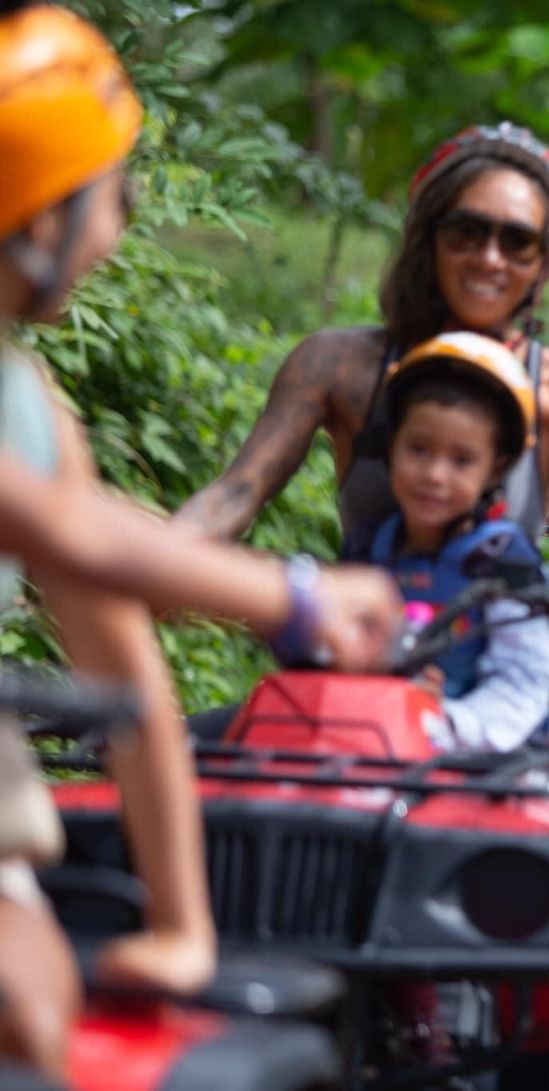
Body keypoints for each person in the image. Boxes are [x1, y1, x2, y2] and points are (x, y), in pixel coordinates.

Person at [0, 5, 400, 1079]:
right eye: (113, 198)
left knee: (28, 1012)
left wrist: (183, 921)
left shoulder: (32, 402)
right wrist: (292, 595)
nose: (119, 230)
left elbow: (114, 632)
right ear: (41, 216)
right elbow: (67, 530)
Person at [174, 122, 549, 575]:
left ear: (543, 261)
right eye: (466, 232)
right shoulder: (337, 365)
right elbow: (236, 493)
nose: (489, 259)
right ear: (427, 237)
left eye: (517, 241)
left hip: (498, 660)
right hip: (361, 652)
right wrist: (163, 558)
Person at [348, 332, 549, 752]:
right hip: (360, 736)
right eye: (418, 450)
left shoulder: (504, 561)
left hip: (467, 758)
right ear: (389, 445)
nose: (434, 475)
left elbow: (521, 686)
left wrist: (445, 720)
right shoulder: (368, 548)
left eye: (462, 460)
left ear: (496, 467)